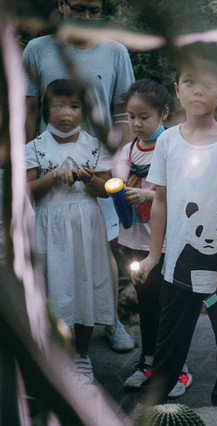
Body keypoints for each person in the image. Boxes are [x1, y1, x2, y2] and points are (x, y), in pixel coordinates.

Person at [132, 43, 217, 407]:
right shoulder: (167, 141)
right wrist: (154, 256)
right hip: (178, 267)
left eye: (208, 84)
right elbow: (160, 200)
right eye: (190, 82)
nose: (198, 91)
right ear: (177, 89)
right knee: (170, 340)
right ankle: (155, 408)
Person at [22, 0, 136, 353]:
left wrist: (122, 162)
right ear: (61, 4)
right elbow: (29, 110)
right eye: (79, 8)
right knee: (52, 252)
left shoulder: (115, 51)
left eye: (94, 10)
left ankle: (110, 320)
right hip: (49, 165)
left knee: (102, 248)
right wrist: (28, 160)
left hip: (97, 164)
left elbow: (123, 112)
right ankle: (55, 333)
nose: (87, 17)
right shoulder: (37, 49)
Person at [25, 79, 114, 385]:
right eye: (59, 105)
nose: (67, 113)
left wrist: (89, 179)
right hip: (50, 226)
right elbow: (29, 192)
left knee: (84, 286)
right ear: (46, 110)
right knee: (54, 287)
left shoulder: (94, 145)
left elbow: (106, 189)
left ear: (83, 111)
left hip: (86, 226)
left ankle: (82, 356)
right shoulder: (34, 147)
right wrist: (53, 176)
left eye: (74, 106)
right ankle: (57, 357)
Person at [115, 74, 192, 398]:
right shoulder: (127, 150)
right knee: (146, 303)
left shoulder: (173, 146)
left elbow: (186, 192)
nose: (136, 123)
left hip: (164, 243)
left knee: (169, 307)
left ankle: (178, 368)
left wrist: (148, 195)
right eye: (131, 116)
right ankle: (147, 362)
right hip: (134, 240)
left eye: (144, 117)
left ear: (163, 113)